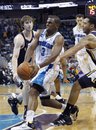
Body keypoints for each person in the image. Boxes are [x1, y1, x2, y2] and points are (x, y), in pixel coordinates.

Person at [11, 15, 77, 130]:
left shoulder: (59, 38)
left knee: (33, 92)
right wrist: (25, 63)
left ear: (56, 25)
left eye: (50, 23)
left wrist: (38, 66)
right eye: (47, 22)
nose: (47, 24)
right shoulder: (40, 33)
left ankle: (29, 123)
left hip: (50, 69)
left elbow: (53, 56)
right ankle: (70, 108)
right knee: (46, 101)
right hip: (40, 69)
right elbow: (31, 48)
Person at [51, 16, 96, 126]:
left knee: (77, 85)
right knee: (77, 85)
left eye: (85, 23)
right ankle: (67, 113)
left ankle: (66, 114)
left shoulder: (90, 37)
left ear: (92, 26)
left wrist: (59, 57)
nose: (82, 25)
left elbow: (75, 48)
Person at [8, 15, 36, 118]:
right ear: (23, 25)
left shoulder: (35, 35)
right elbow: (15, 57)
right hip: (21, 66)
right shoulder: (19, 38)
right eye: (27, 23)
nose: (29, 25)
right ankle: (26, 109)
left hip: (31, 65)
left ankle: (16, 99)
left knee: (37, 88)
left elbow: (34, 53)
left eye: (30, 22)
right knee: (27, 84)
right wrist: (15, 72)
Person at [73, 14, 96, 100]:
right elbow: (76, 42)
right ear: (76, 20)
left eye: (81, 20)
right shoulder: (74, 29)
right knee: (87, 74)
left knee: (93, 71)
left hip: (88, 51)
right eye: (78, 20)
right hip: (79, 53)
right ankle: (92, 92)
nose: (80, 22)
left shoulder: (87, 29)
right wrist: (76, 53)